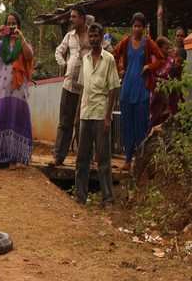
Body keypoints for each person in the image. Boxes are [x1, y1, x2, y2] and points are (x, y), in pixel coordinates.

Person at [74, 23, 120, 206]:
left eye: (96, 36)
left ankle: (107, 198)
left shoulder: (108, 59)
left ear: (101, 38)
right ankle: (80, 196)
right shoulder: (84, 59)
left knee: (103, 158)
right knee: (82, 158)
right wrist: (77, 114)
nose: (93, 39)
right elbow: (82, 88)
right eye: (90, 36)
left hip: (101, 114)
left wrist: (108, 116)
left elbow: (113, 88)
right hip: (85, 113)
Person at [113, 12, 164, 171]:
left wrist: (149, 66)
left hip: (141, 88)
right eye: (134, 26)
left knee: (141, 125)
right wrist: (119, 69)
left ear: (144, 27)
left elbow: (161, 58)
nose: (137, 29)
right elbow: (114, 55)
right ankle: (128, 160)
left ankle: (140, 161)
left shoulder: (148, 43)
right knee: (127, 124)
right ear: (131, 27)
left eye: (140, 26)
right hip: (127, 87)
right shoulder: (126, 42)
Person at [0, 12, 34, 170]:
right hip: (2, 90)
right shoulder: (1, 44)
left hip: (19, 91)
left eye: (14, 23)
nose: (12, 26)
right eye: (9, 23)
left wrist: (22, 39)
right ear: (5, 26)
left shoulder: (22, 44)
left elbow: (29, 55)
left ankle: (14, 158)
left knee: (16, 121)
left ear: (18, 26)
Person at [50, 6, 90, 167]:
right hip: (69, 83)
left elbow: (107, 49)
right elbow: (58, 52)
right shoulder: (69, 36)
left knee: (83, 123)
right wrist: (65, 64)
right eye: (71, 17)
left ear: (82, 18)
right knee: (64, 121)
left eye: (74, 17)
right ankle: (58, 156)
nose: (71, 20)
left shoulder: (92, 33)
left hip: (87, 85)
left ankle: (84, 159)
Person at [149, 36, 183, 128]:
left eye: (169, 48)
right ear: (159, 48)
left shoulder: (171, 61)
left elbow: (175, 78)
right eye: (166, 48)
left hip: (169, 98)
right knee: (155, 120)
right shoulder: (153, 60)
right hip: (156, 97)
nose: (168, 51)